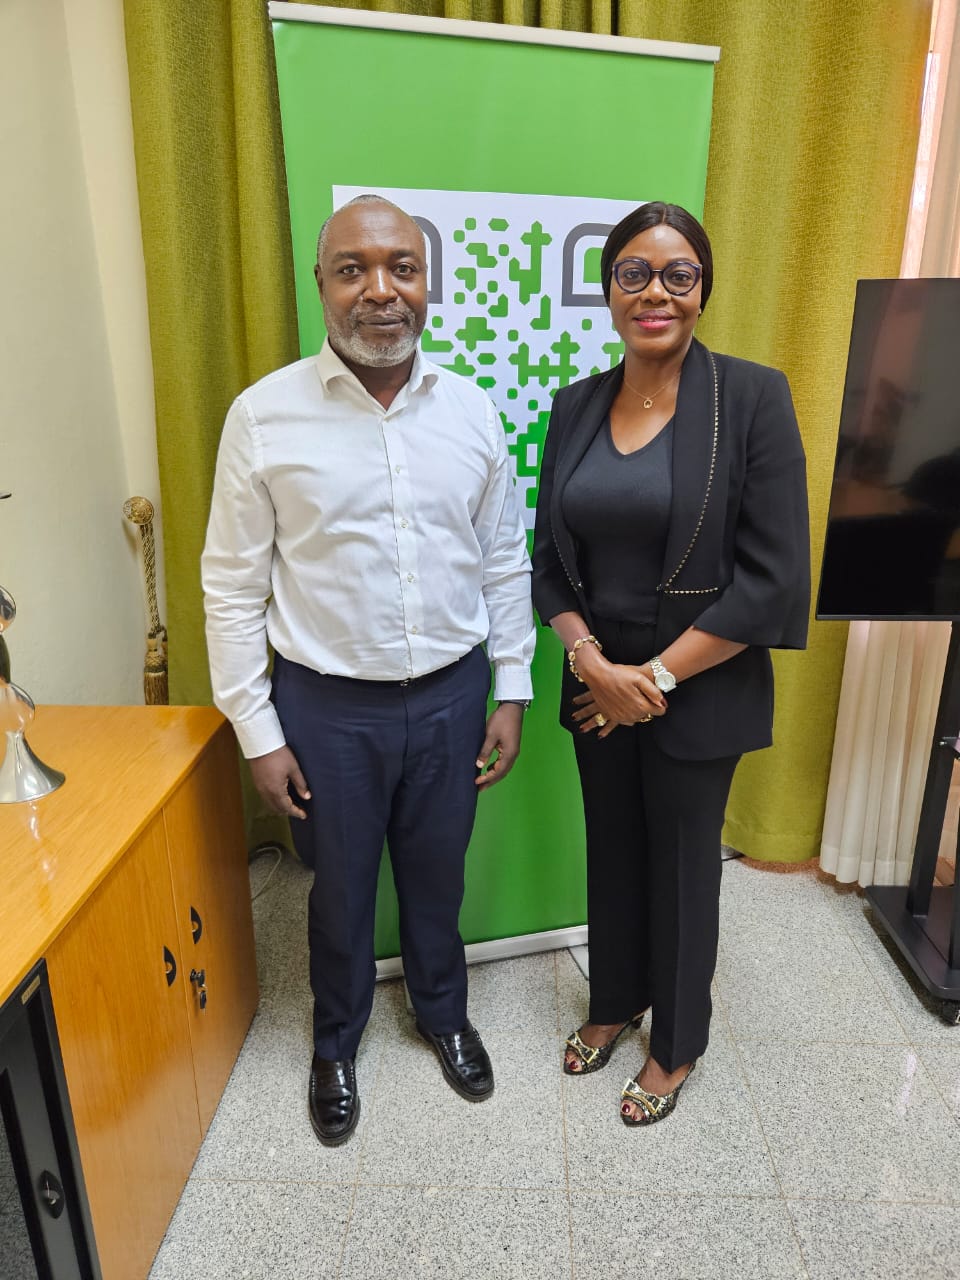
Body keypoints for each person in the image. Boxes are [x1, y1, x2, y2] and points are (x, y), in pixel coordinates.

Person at [202, 195, 535, 1146]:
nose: (380, 290)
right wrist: (258, 732)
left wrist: (511, 684)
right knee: (340, 891)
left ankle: (443, 1014)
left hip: (453, 697)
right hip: (326, 709)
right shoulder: (263, 417)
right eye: (353, 269)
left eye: (402, 267)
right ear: (321, 284)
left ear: (428, 282)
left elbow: (503, 560)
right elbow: (231, 588)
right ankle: (335, 1043)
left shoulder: (471, 410)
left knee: (437, 876)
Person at [532, 202, 809, 1126]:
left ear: (702, 290)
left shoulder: (752, 400)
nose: (655, 292)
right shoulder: (575, 406)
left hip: (698, 682)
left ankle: (679, 1040)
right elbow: (548, 561)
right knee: (611, 847)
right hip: (596, 682)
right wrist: (592, 662)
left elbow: (773, 579)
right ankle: (614, 999)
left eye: (678, 274)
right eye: (634, 274)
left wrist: (650, 681)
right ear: (609, 290)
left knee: (686, 868)